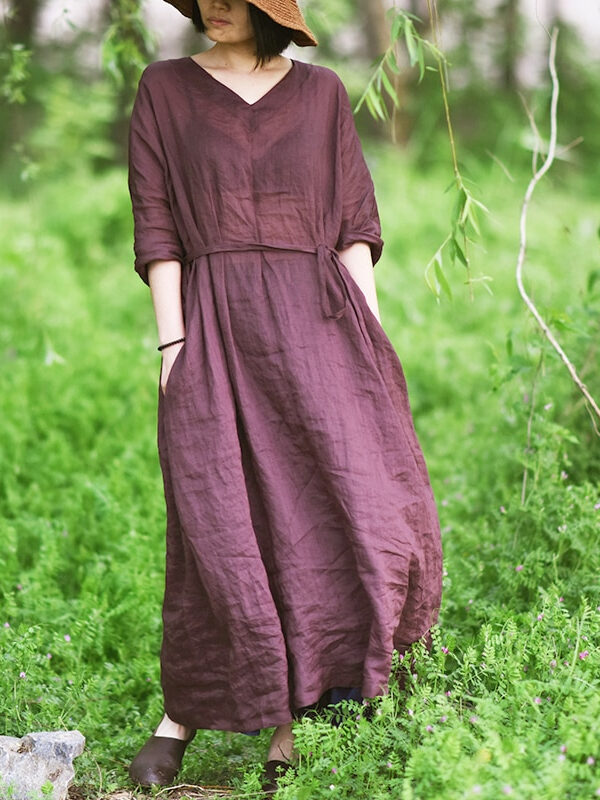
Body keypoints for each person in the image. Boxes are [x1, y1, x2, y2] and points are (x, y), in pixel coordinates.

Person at [127, 0, 443, 792]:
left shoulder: (324, 93)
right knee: (220, 514)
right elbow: (158, 223)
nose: (214, 8)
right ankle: (184, 715)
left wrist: (369, 342)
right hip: (215, 323)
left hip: (321, 320)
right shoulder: (164, 88)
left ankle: (295, 721)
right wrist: (172, 342)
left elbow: (353, 224)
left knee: (350, 506)